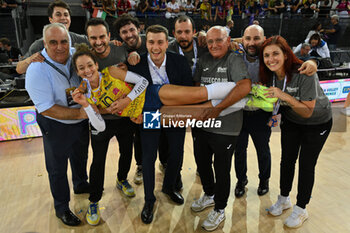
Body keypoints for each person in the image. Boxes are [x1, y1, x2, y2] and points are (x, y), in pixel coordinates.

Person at [71, 43, 148, 225]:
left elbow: (143, 82)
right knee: (98, 161)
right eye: (81, 68)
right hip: (103, 125)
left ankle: (122, 179)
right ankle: (94, 200)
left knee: (127, 152)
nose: (87, 70)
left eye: (90, 65)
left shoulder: (112, 71)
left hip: (125, 119)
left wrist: (126, 100)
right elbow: (99, 124)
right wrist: (86, 105)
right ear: (77, 71)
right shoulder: (82, 91)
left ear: (97, 65)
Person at [260, 35, 332, 228]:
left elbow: (307, 111)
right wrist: (277, 112)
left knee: (307, 165)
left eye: (276, 53)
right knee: (287, 160)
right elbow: (280, 100)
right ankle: (284, 199)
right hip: (292, 120)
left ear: (285, 54)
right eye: (266, 55)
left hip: (317, 122)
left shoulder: (304, 72)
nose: (271, 59)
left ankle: (301, 209)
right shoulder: (270, 74)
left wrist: (282, 96)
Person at [127, 25, 193, 225]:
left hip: (174, 113)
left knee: (176, 152)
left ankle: (169, 186)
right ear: (146, 43)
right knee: (148, 158)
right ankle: (149, 200)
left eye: (160, 42)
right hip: (150, 114)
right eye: (151, 42)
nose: (155, 47)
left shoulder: (179, 61)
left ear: (167, 42)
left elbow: (188, 89)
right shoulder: (135, 63)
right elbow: (128, 91)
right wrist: (133, 112)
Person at [25, 23, 90, 226]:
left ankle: (80, 183)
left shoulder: (76, 55)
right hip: (55, 124)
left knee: (81, 155)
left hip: (79, 121)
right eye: (53, 43)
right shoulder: (36, 69)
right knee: (57, 168)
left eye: (64, 41)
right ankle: (61, 207)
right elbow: (47, 109)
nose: (60, 47)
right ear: (44, 44)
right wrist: (80, 112)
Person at [191, 26, 251, 232]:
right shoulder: (204, 59)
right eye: (210, 42)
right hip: (203, 123)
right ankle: (209, 195)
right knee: (201, 162)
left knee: (222, 168)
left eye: (219, 40)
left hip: (227, 126)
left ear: (228, 41)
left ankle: (220, 208)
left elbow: (244, 87)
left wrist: (219, 108)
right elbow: (198, 88)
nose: (214, 45)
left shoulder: (234, 59)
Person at [16, 0, 89, 74]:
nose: (63, 18)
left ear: (70, 19)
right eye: (58, 15)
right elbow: (19, 69)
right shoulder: (40, 44)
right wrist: (30, 59)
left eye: (66, 15)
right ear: (50, 19)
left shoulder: (82, 40)